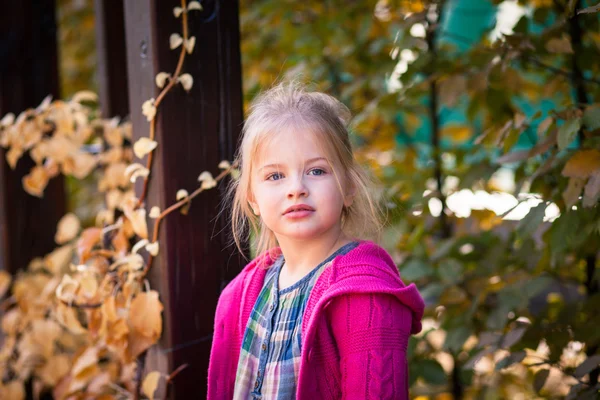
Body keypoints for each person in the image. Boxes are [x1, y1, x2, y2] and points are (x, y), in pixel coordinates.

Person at [207, 80, 424, 400]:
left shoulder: (366, 296)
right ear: (253, 198)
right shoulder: (238, 298)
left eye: (317, 171)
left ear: (349, 187)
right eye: (275, 176)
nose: (296, 188)